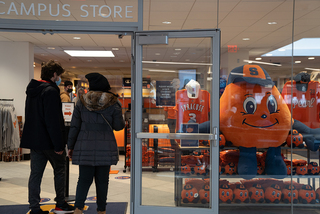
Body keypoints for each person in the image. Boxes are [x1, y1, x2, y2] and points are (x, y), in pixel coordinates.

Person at [20, 60, 75, 214]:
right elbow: (53, 121)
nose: (60, 80)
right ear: (54, 74)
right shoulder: (50, 91)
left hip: (35, 141)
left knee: (35, 174)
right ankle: (60, 203)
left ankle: (34, 207)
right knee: (60, 169)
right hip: (49, 141)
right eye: (59, 76)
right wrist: (58, 145)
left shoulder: (32, 89)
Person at [67, 73, 125, 214]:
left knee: (83, 180)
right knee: (103, 181)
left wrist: (70, 146)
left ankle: (78, 209)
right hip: (105, 147)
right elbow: (118, 126)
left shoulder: (81, 101)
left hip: (84, 145)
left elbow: (75, 126)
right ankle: (101, 210)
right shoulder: (113, 102)